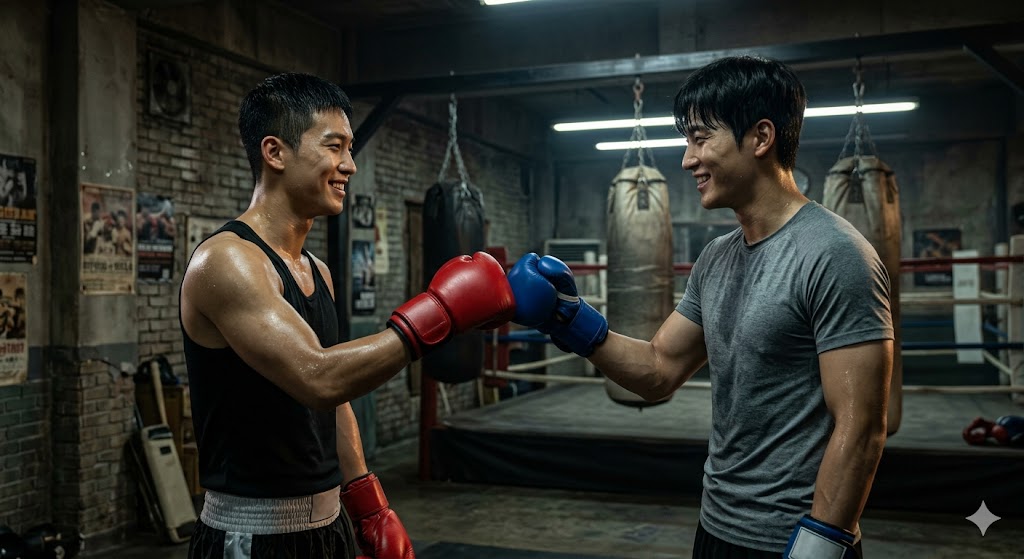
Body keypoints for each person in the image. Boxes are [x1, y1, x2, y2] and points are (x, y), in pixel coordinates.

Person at [509, 56, 893, 559]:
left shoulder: (835, 255)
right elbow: (659, 368)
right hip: (716, 527)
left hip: (795, 540)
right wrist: (568, 319)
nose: (688, 159)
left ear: (760, 138)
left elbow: (861, 427)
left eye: (700, 138)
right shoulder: (717, 258)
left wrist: (818, 548)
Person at [180, 73, 516, 559]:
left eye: (350, 148)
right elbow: (320, 378)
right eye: (334, 147)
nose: (349, 165)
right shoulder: (227, 262)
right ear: (275, 153)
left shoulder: (317, 269)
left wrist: (368, 504)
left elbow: (334, 405)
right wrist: (441, 312)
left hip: (328, 523)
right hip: (253, 534)